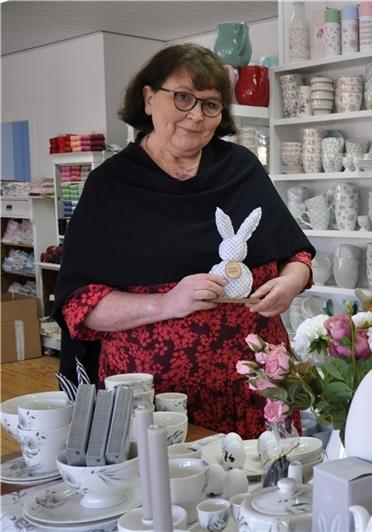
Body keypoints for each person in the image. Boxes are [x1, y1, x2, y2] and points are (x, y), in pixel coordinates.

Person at [54, 43, 314, 438]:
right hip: (155, 403)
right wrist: (167, 303)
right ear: (147, 98)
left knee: (269, 493)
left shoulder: (240, 168)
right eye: (183, 98)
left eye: (210, 104)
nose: (196, 114)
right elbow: (80, 306)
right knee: (162, 494)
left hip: (255, 390)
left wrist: (292, 281)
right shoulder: (110, 186)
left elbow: (295, 252)